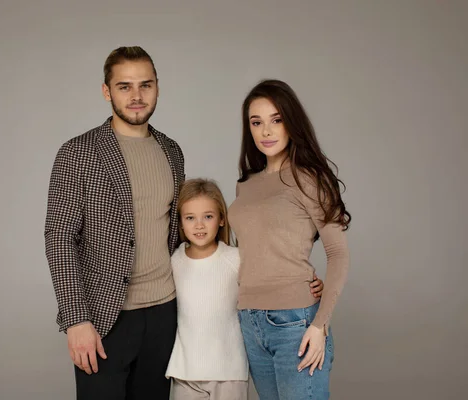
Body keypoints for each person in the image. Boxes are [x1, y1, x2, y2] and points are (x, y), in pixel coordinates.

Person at [44, 46, 185, 399]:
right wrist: (76, 320)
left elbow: (185, 233)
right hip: (105, 317)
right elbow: (59, 236)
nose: (136, 96)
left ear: (157, 87)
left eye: (145, 85)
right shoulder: (78, 152)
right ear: (107, 91)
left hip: (165, 314)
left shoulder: (172, 151)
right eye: (124, 86)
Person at [228, 79, 351, 400]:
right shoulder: (246, 185)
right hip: (248, 321)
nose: (266, 131)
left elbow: (338, 254)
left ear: (291, 123)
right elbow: (255, 250)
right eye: (257, 122)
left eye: (276, 120)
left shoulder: (310, 178)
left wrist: (319, 325)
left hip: (296, 323)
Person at [166, 179, 324, 400]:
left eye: (208, 216)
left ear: (222, 219)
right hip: (185, 372)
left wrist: (311, 283)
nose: (199, 225)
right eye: (190, 218)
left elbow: (273, 278)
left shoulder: (236, 259)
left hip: (230, 371)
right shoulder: (174, 261)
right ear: (181, 223)